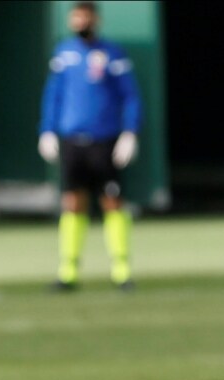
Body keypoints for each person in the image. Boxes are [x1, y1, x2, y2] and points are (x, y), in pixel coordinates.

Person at [37, 0, 143, 292]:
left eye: (85, 16)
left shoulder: (112, 53)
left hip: (105, 140)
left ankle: (121, 270)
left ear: (95, 19)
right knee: (72, 202)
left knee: (112, 201)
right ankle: (68, 271)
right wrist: (46, 130)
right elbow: (53, 94)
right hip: (73, 140)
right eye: (76, 17)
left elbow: (130, 96)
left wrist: (130, 133)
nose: (80, 22)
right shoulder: (64, 53)